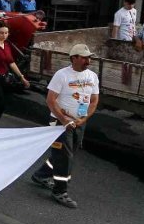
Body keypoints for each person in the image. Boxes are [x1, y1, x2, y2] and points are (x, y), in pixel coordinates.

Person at [31, 44, 100, 209]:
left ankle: (41, 175)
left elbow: (94, 100)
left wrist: (83, 119)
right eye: (84, 57)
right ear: (73, 58)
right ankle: (60, 191)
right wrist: (64, 120)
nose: (88, 61)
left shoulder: (92, 76)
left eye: (89, 57)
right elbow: (50, 100)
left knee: (66, 154)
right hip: (60, 124)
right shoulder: (62, 75)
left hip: (79, 122)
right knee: (65, 157)